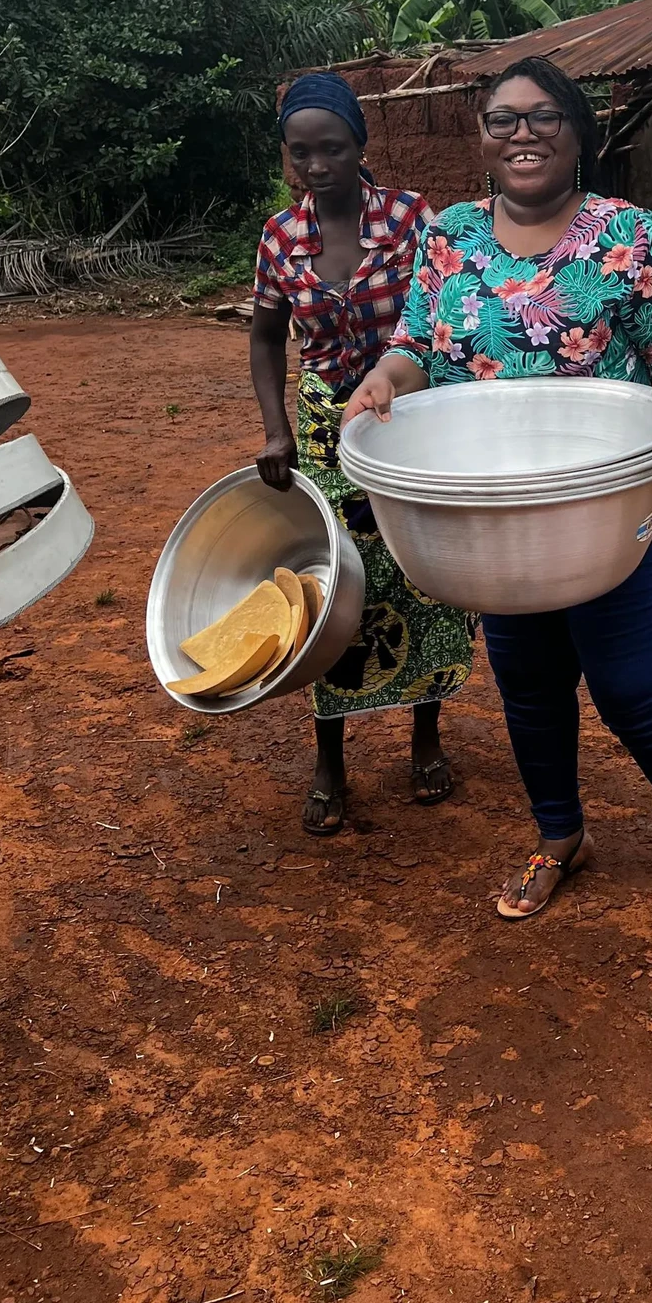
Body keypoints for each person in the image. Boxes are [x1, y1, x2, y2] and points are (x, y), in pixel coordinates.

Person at [343, 56, 652, 956]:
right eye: (502, 119)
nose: (521, 134)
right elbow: (416, 344)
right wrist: (384, 379)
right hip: (496, 509)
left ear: (578, 131)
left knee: (636, 690)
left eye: (543, 116)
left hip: (612, 504)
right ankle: (560, 835)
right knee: (527, 686)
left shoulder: (626, 234)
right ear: (482, 138)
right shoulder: (450, 237)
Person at [250, 70, 476, 835]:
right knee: (333, 589)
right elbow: (264, 339)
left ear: (360, 144)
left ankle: (425, 735)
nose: (317, 166)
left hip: (410, 421)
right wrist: (275, 430)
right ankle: (330, 760)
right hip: (323, 431)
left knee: (424, 578)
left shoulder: (412, 219)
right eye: (301, 153)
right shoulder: (280, 238)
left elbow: (451, 311)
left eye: (333, 149)